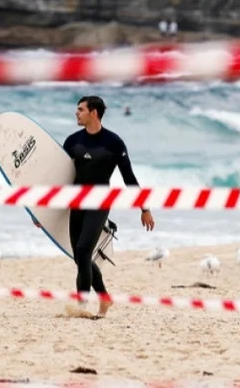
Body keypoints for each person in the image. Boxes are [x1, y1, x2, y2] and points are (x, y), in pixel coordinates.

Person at [36, 95, 155, 318]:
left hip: (100, 204)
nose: (76, 113)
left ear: (94, 113)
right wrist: (41, 211)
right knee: (80, 257)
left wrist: (144, 209)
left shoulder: (113, 143)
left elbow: (129, 177)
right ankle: (104, 298)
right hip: (76, 203)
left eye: (80, 109)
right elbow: (59, 179)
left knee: (82, 251)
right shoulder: (72, 141)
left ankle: (80, 307)